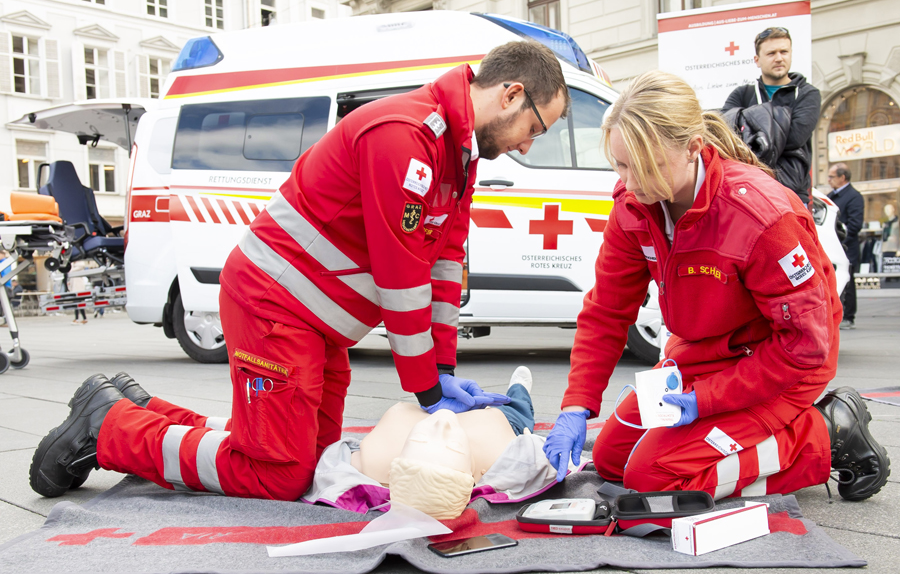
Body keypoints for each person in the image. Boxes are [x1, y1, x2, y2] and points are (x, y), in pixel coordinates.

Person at [30, 40, 571, 501]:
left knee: (312, 459)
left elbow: (446, 263)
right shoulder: (405, 136)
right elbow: (401, 274)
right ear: (511, 94)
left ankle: (140, 408)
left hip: (312, 321)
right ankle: (109, 429)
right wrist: (427, 388)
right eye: (535, 127)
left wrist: (445, 365)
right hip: (276, 308)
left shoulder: (455, 154)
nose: (528, 143)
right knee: (279, 475)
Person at [543, 70, 889, 503]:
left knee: (654, 482)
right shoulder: (636, 206)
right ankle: (762, 441)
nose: (628, 183)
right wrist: (576, 405)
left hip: (780, 365)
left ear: (691, 148)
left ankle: (826, 432)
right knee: (613, 462)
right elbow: (607, 310)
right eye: (620, 165)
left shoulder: (761, 217)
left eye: (642, 167)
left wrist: (704, 400)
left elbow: (805, 345)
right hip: (705, 353)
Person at [305, 366, 560, 519]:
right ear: (476, 477)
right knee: (518, 406)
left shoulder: (374, 463)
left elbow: (333, 469)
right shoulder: (504, 463)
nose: (442, 423)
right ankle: (518, 389)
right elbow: (547, 459)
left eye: (420, 438)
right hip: (501, 418)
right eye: (452, 445)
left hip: (431, 399)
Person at [722, 26, 821, 207]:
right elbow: (727, 137)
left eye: (784, 51)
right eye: (771, 53)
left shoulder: (807, 94)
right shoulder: (742, 94)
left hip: (792, 194)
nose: (779, 58)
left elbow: (795, 138)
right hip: (751, 192)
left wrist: (751, 126)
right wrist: (781, 121)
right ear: (757, 60)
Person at [827, 163, 864, 330]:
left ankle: (849, 316)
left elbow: (855, 225)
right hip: (834, 247)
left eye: (831, 177)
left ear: (842, 177)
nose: (829, 180)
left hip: (846, 247)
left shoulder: (854, 196)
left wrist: (839, 238)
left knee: (848, 282)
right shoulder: (830, 196)